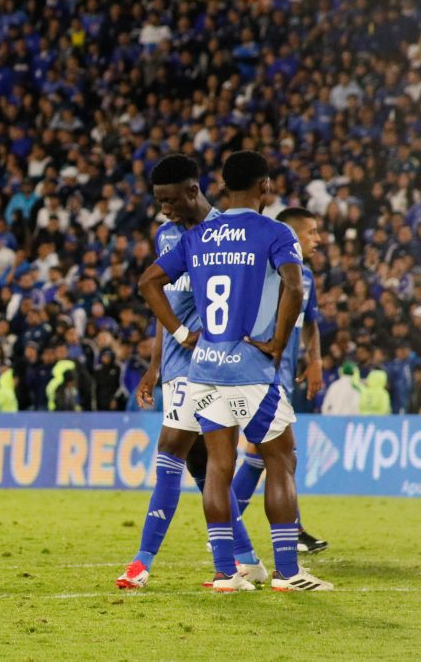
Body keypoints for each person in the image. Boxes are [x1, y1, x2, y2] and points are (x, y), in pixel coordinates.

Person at [140, 150, 333, 591]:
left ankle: (225, 573)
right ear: (264, 187)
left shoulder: (198, 236)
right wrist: (278, 343)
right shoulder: (275, 231)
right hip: (251, 369)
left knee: (218, 469)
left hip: (204, 369)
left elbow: (148, 282)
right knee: (281, 461)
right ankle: (288, 572)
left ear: (223, 187)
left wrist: (182, 334)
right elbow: (294, 283)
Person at [118, 155, 267, 590]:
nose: (164, 210)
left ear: (192, 191)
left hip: (210, 363)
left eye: (169, 201)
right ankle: (246, 560)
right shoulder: (167, 236)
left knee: (170, 451)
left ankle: (141, 563)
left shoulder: (226, 231)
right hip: (178, 362)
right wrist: (153, 366)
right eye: (158, 202)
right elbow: (164, 308)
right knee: (202, 466)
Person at [231, 208, 328, 554]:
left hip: (282, 376)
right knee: (275, 454)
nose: (318, 239)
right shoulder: (264, 270)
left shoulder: (305, 277)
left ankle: (233, 529)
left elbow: (311, 322)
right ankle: (229, 529)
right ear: (291, 234)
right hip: (257, 373)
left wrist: (314, 360)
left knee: (274, 454)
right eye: (312, 232)